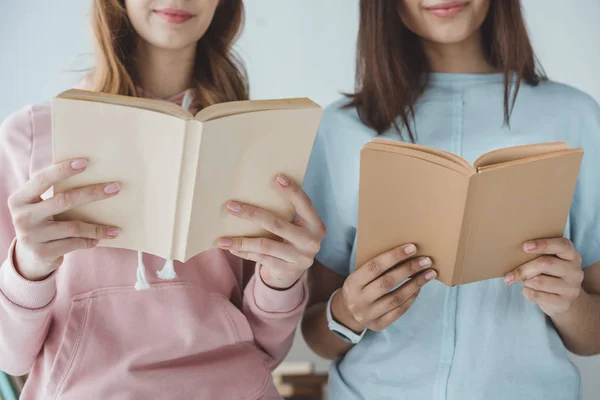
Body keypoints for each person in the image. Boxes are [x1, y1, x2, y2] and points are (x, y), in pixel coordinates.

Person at [0, 1, 325, 398]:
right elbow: (10, 357)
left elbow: (269, 349)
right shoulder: (29, 136)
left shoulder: (253, 137)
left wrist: (282, 281)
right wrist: (28, 267)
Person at [301, 1, 600, 399]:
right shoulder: (340, 127)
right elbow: (315, 334)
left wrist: (569, 303)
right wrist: (349, 313)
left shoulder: (574, 117)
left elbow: (592, 338)